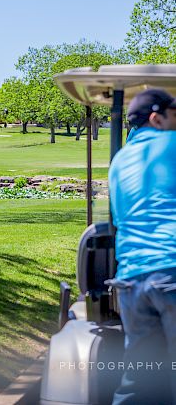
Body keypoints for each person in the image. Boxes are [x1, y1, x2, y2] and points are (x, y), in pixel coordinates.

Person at [108, 89, 176, 404]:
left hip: (131, 282)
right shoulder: (172, 143)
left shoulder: (119, 161)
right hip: (171, 270)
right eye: (174, 116)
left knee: (141, 380)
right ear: (156, 117)